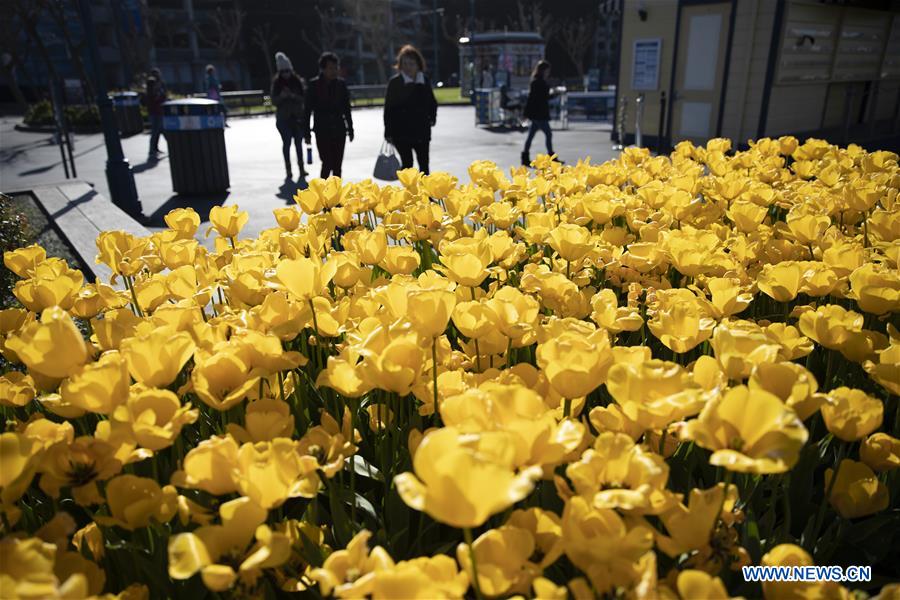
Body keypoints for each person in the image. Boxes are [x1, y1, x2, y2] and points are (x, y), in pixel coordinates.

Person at [384, 45, 437, 175]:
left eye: (412, 63)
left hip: (422, 131)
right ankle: (409, 194)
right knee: (407, 165)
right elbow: (388, 109)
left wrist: (432, 118)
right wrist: (388, 132)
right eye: (405, 63)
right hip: (401, 132)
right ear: (400, 65)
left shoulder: (424, 80)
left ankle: (426, 194)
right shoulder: (395, 83)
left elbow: (432, 102)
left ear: (418, 65)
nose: (408, 67)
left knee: (424, 164)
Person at [305, 52, 354, 179]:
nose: (334, 71)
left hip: (339, 128)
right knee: (327, 163)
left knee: (337, 166)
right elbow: (307, 110)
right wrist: (306, 133)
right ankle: (323, 194)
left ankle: (336, 195)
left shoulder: (341, 85)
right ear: (323, 69)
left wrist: (350, 128)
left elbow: (346, 108)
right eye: (331, 68)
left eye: (336, 67)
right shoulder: (314, 85)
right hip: (322, 129)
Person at [271, 52, 307, 179]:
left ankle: (302, 169)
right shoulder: (276, 84)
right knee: (287, 143)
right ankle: (288, 170)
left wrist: (292, 95)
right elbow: (271, 101)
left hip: (297, 118)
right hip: (283, 119)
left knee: (298, 143)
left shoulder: (297, 82)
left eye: (287, 70)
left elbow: (304, 98)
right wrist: (281, 97)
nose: (286, 73)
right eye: (283, 71)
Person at [522, 59, 556, 166]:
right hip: (540, 113)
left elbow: (533, 98)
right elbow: (542, 97)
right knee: (548, 134)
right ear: (543, 70)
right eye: (547, 70)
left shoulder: (536, 81)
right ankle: (551, 157)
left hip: (536, 113)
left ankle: (525, 157)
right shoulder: (539, 82)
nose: (548, 73)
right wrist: (555, 93)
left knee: (531, 135)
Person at [145, 67, 167, 158]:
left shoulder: (158, 87)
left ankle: (154, 148)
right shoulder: (152, 88)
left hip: (157, 111)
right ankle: (152, 150)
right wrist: (160, 95)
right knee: (156, 131)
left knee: (159, 130)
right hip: (156, 112)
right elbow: (157, 99)